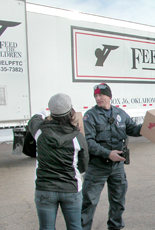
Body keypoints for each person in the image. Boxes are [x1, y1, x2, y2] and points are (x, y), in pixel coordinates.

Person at [81, 83, 142, 230]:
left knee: (118, 201)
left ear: (109, 96)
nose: (98, 98)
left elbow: (133, 129)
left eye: (101, 95)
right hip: (97, 166)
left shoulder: (120, 114)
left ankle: (115, 227)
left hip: (117, 167)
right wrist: (108, 153)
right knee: (89, 202)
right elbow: (88, 142)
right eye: (96, 95)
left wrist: (149, 126)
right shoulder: (90, 116)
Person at [28, 93, 89, 230]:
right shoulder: (77, 136)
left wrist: (43, 113)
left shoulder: (39, 131)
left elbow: (34, 119)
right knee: (75, 227)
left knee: (46, 228)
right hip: (71, 188)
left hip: (45, 188)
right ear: (70, 112)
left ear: (52, 112)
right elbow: (83, 165)